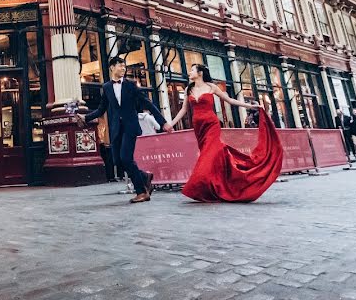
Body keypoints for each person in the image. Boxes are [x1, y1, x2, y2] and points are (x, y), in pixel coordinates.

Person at [166, 64, 283, 203]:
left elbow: (230, 101)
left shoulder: (211, 87)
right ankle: (218, 186)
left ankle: (198, 185)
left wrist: (250, 106)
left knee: (208, 156)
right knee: (210, 156)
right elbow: (183, 110)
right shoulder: (188, 89)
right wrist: (171, 124)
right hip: (199, 127)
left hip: (212, 125)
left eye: (192, 70)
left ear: (200, 73)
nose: (189, 72)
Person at [80, 57, 171, 203]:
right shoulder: (107, 87)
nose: (123, 69)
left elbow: (147, 102)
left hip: (130, 127)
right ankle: (144, 176)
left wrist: (163, 122)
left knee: (126, 158)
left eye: (124, 67)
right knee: (118, 161)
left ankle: (141, 191)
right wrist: (86, 118)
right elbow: (101, 109)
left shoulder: (131, 85)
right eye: (120, 66)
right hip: (116, 128)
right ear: (112, 68)